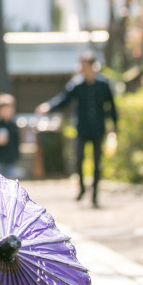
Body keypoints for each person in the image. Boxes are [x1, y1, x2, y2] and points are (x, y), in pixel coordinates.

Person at [36, 52, 117, 208]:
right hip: (82, 128)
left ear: (93, 66)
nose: (82, 69)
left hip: (98, 128)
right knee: (79, 159)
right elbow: (63, 99)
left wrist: (115, 126)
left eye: (85, 65)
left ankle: (94, 195)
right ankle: (81, 189)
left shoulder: (103, 84)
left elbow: (112, 107)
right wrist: (48, 107)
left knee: (97, 162)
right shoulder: (76, 85)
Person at [0, 93, 20, 178]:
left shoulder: (14, 124)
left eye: (9, 109)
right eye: (4, 110)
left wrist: (17, 154)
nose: (7, 112)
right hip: (0, 157)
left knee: (10, 178)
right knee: (0, 178)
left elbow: (17, 140)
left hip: (11, 157)